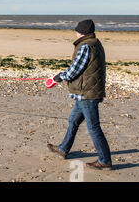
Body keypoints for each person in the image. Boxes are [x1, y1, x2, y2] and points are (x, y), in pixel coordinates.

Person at [47, 19, 112, 170]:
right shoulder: (96, 43)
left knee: (93, 127)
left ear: (81, 32)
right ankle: (63, 149)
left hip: (86, 93)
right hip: (87, 91)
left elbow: (74, 71)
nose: (75, 33)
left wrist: (58, 77)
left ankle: (104, 160)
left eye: (77, 30)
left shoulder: (86, 46)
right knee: (73, 120)